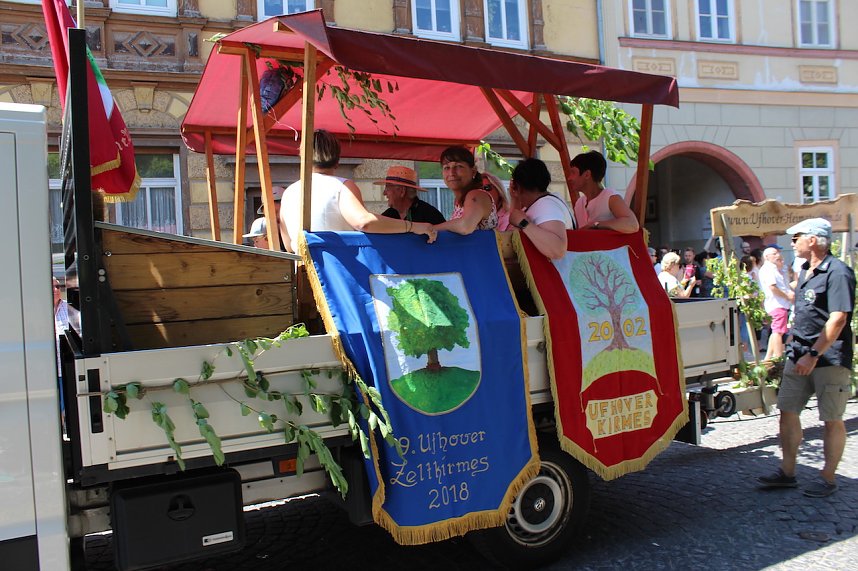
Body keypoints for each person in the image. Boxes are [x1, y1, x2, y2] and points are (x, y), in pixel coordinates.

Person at [758, 218, 855, 498]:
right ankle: (787, 472)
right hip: (798, 353)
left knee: (832, 418)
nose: (792, 243)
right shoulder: (803, 270)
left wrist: (813, 354)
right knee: (787, 411)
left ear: (812, 240)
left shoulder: (838, 272)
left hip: (829, 358)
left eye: (796, 237)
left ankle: (827, 477)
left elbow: (837, 319)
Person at [280, 130, 437, 252]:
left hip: (302, 276)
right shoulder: (342, 186)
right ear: (337, 160)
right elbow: (364, 222)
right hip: (334, 275)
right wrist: (413, 227)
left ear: (303, 157)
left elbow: (288, 245)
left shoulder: (289, 193)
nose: (384, 192)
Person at [506, 158, 575, 259]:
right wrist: (515, 199)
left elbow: (557, 249)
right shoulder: (550, 201)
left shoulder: (545, 205)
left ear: (519, 186)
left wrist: (524, 224)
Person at [568, 150, 639, 233]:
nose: (569, 178)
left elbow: (632, 224)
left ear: (587, 174)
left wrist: (596, 224)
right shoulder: (579, 203)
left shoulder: (610, 197)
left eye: (573, 173)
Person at [432, 146, 498, 234]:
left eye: (459, 166)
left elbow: (465, 226)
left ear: (473, 171)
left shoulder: (476, 195)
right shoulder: (460, 200)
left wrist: (430, 228)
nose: (452, 173)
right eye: (447, 168)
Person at [377, 166, 445, 224]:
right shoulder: (387, 216)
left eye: (387, 188)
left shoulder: (430, 215)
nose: (384, 193)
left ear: (402, 191)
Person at [759, 246, 794, 360]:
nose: (777, 255)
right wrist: (787, 296)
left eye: (778, 253)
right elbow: (773, 287)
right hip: (777, 303)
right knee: (778, 332)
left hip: (778, 303)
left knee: (776, 330)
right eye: (774, 254)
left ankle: (769, 357)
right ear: (767, 257)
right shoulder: (769, 269)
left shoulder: (775, 268)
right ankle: (778, 357)